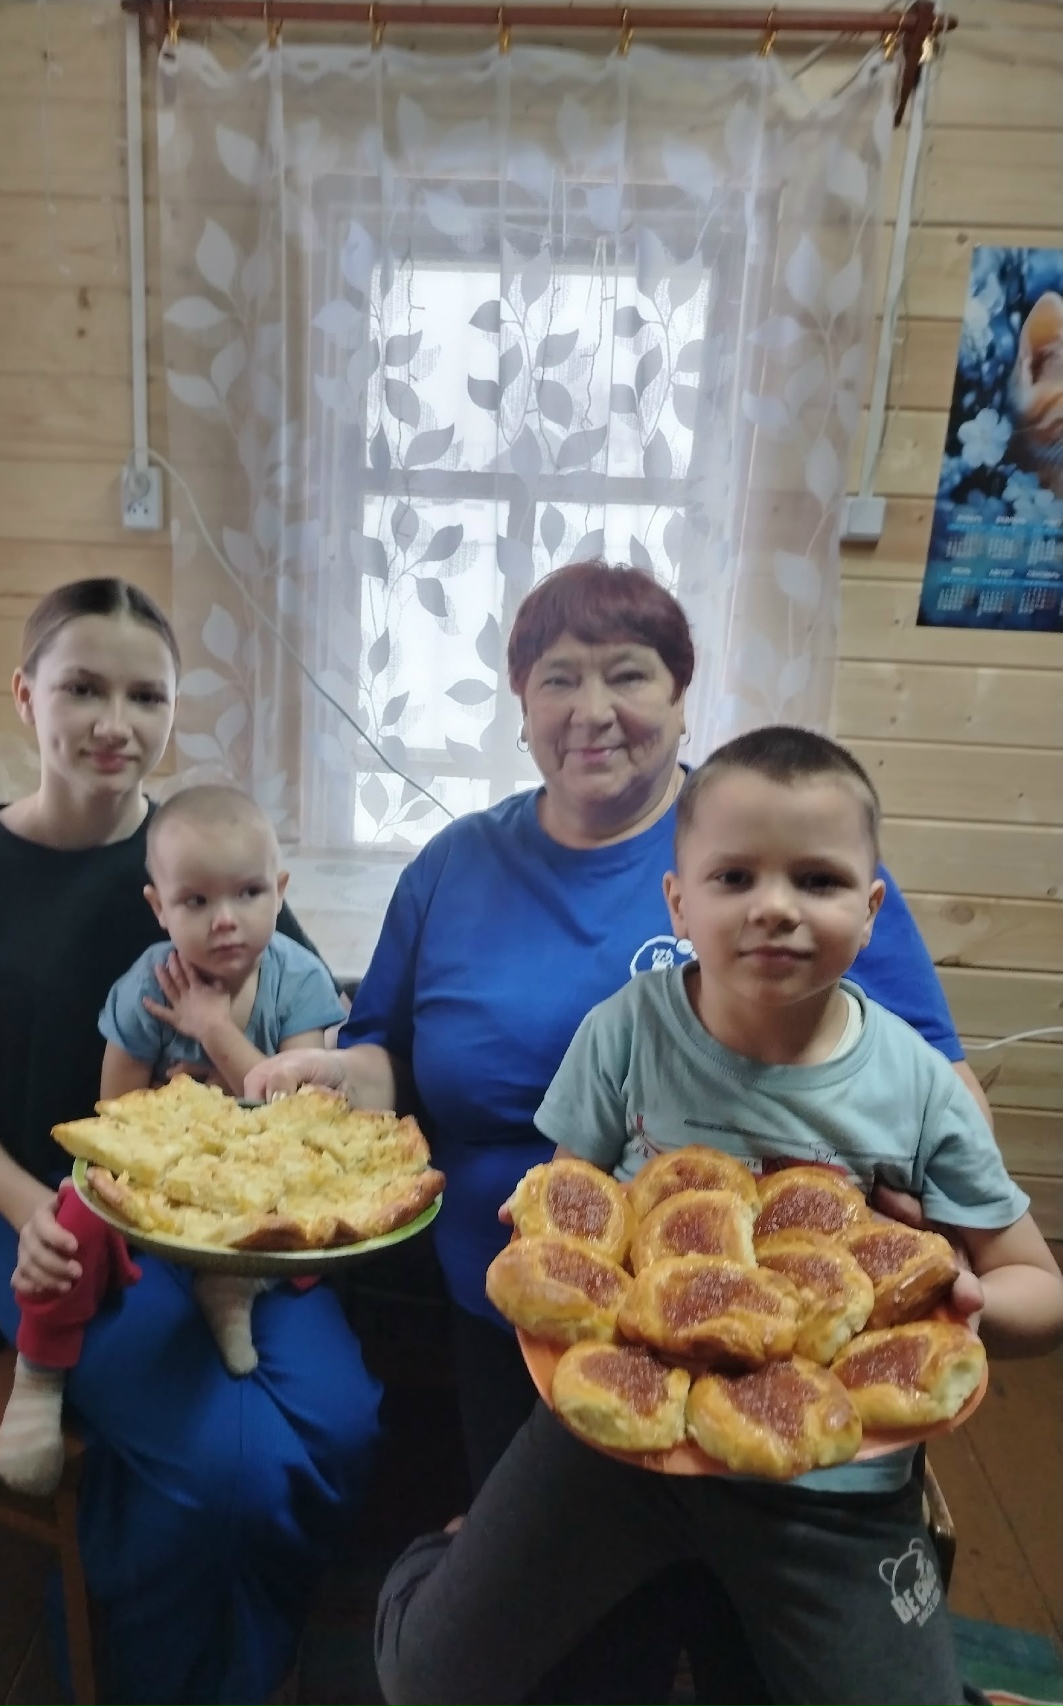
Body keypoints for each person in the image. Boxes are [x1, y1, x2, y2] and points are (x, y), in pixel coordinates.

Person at [246, 560, 997, 1704]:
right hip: (517, 1322)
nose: (590, 708)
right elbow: (384, 1047)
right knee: (585, 1655)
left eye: (627, 674)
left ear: (683, 694)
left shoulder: (756, 848)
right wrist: (332, 1076)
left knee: (745, 1640)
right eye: (557, 677)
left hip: (784, 1323)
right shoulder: (453, 865)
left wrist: (932, 1235)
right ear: (518, 702)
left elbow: (932, 1081)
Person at [373, 725, 1063, 1706]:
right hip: (615, 1449)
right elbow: (570, 1227)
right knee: (426, 1678)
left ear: (871, 910)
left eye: (817, 880)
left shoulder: (918, 1088)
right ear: (678, 902)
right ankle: (442, 1549)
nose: (773, 906)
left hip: (829, 1475)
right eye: (734, 877)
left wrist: (969, 1302)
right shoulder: (623, 1032)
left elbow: (1039, 1286)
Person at [0, 579, 381, 1706]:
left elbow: (293, 1032)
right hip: (61, 1219)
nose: (114, 722)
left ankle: (184, 1612)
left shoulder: (210, 855)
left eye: (146, 696)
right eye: (83, 688)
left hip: (227, 1217)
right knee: (229, 1468)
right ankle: (164, 1669)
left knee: (343, 1423)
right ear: (24, 694)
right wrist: (26, 1203)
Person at [0, 782, 347, 1497]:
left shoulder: (300, 980)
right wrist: (179, 1118)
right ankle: (40, 1368)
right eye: (196, 901)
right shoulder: (148, 986)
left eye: (248, 893)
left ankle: (234, 1288)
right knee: (76, 1214)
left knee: (315, 1221)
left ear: (279, 891)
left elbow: (300, 1118)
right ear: (160, 907)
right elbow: (114, 1118)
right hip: (161, 1181)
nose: (226, 920)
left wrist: (214, 1032)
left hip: (263, 1179)